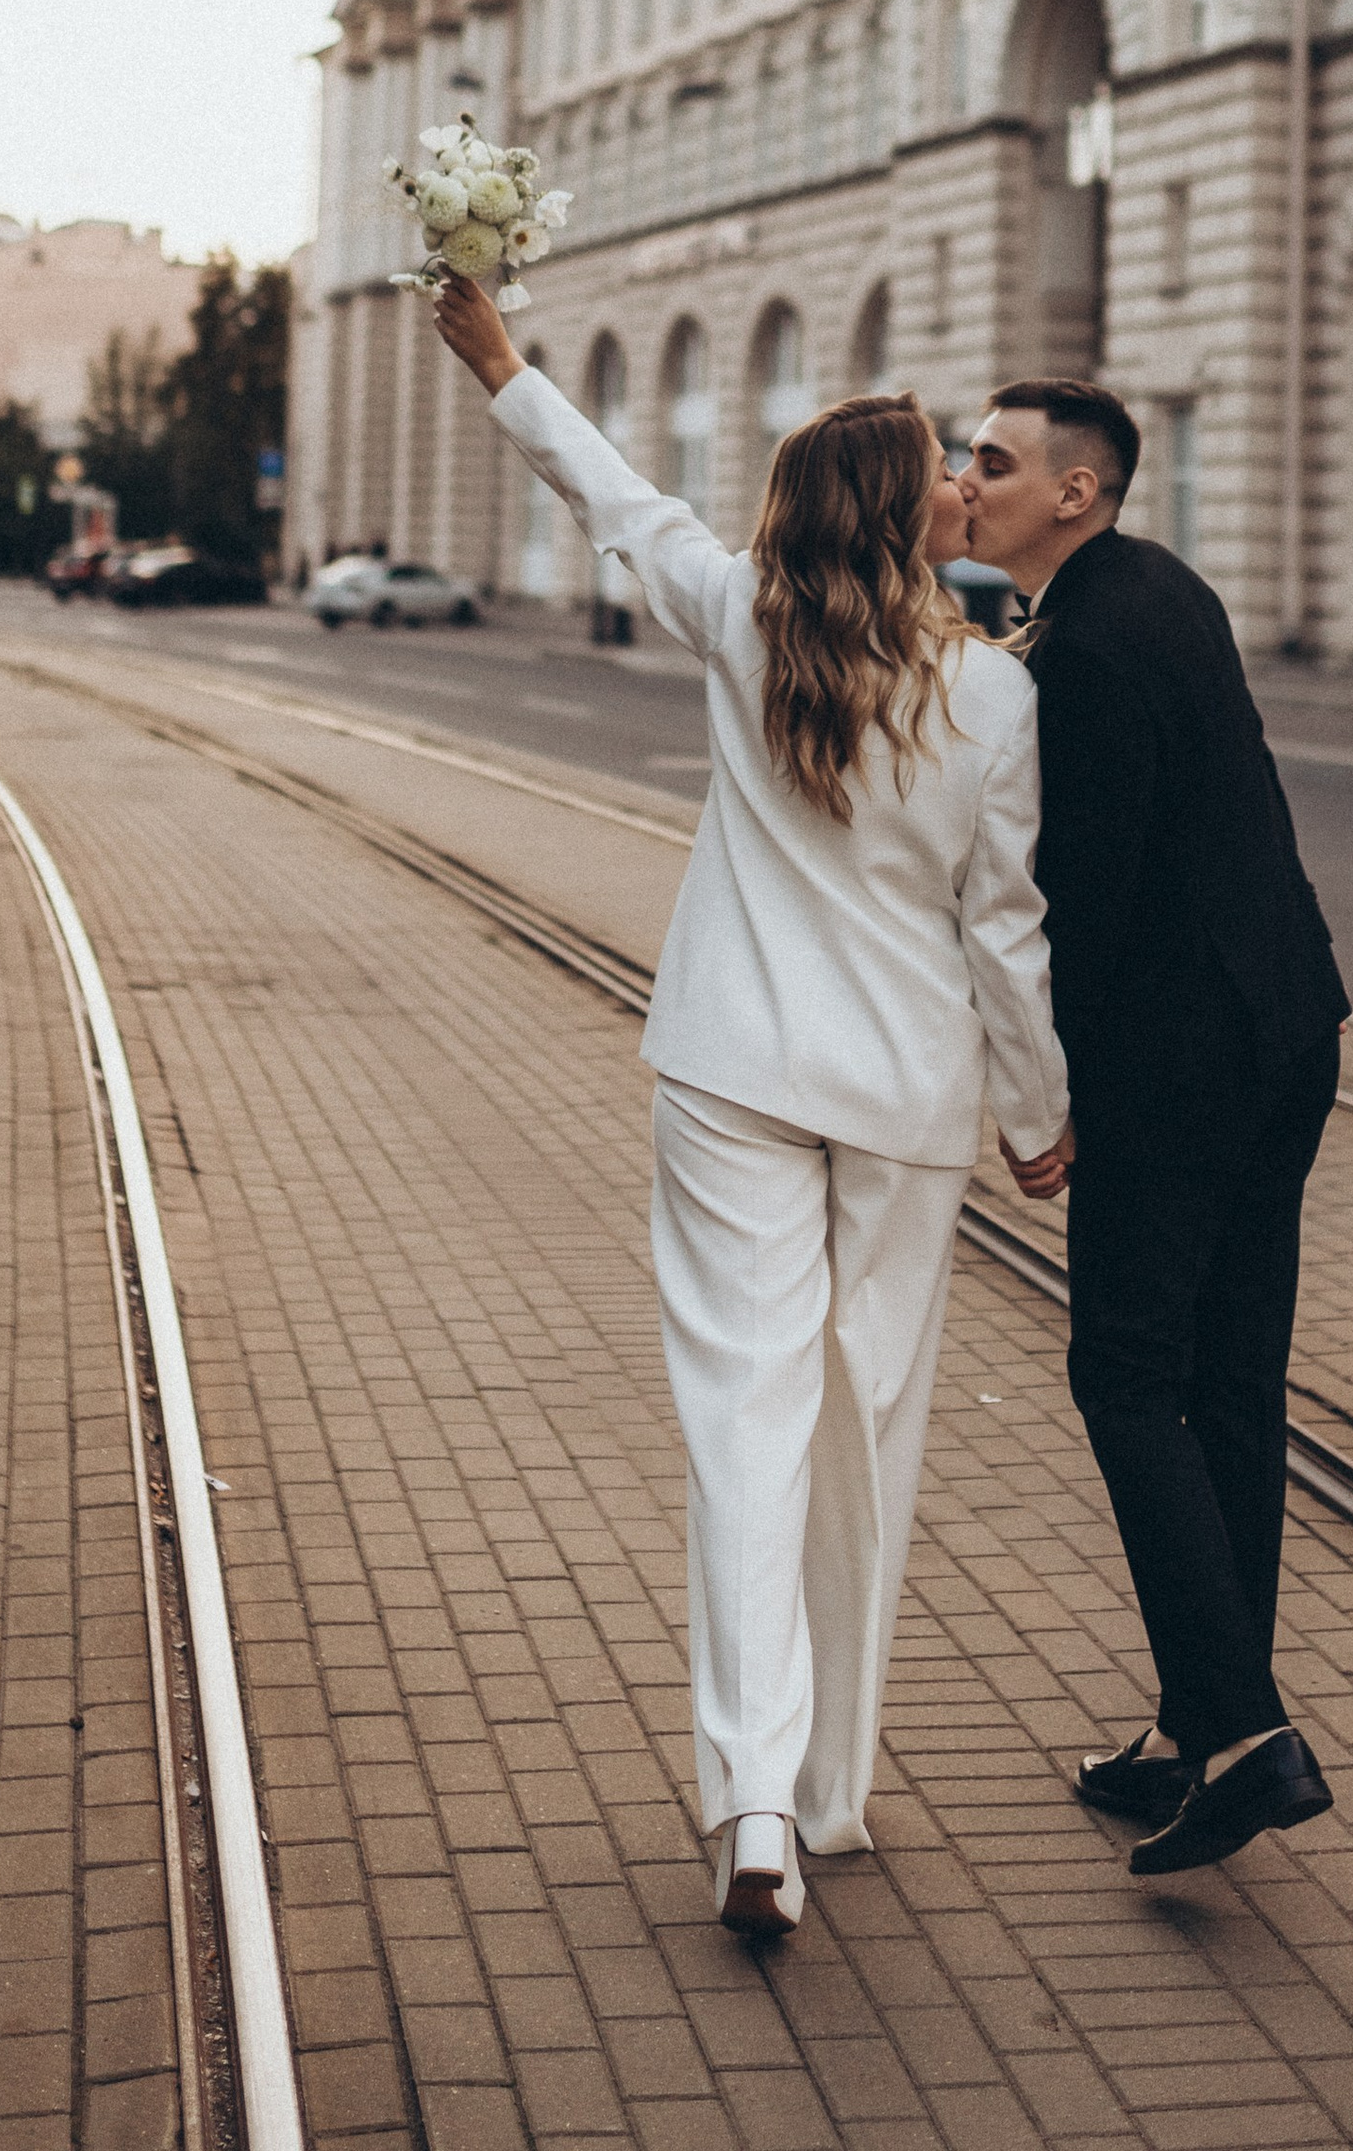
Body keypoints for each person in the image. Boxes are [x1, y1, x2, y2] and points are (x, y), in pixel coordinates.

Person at [433, 277, 1072, 1935]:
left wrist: (506, 365)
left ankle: (757, 1805)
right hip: (906, 1098)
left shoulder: (744, 621)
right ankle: (824, 1788)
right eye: (940, 466)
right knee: (863, 1428)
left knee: (745, 1434)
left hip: (730, 1075)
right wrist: (1035, 1107)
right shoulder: (995, 696)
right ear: (893, 506)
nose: (960, 485)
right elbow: (1008, 928)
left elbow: (615, 495)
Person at [960, 378, 1351, 1879]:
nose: (968, 479)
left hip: (1178, 1062)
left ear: (1077, 488)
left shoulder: (1079, 651)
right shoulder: (1164, 590)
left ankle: (1245, 1731)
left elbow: (1084, 909)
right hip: (1286, 1027)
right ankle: (1203, 1725)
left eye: (993, 460)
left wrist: (1044, 1102)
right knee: (1234, 1387)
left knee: (1126, 1372)